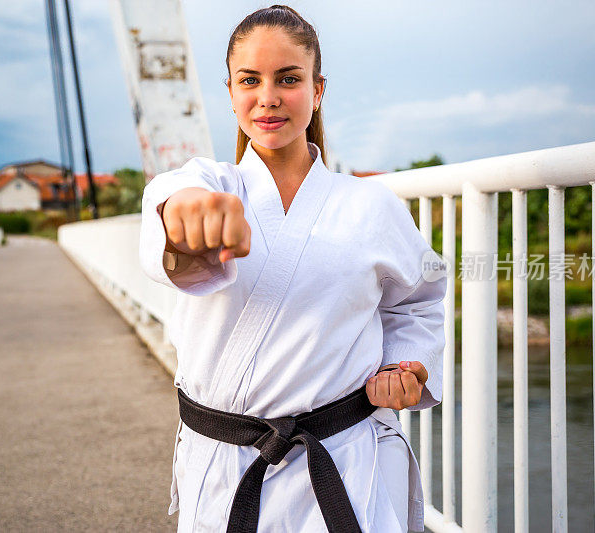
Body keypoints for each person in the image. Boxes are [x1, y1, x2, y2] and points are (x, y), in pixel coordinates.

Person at [138, 5, 445, 532]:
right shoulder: (211, 185)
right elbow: (171, 195)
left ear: (318, 89)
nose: (268, 97)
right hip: (226, 464)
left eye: (288, 79)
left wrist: (407, 366)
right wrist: (184, 211)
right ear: (230, 92)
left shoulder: (373, 206)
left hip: (344, 460)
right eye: (249, 80)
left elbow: (419, 301)